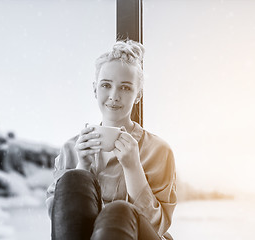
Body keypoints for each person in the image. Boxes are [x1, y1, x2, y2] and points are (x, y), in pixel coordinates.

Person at [46, 40, 177, 240]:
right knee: (74, 178)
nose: (114, 96)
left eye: (125, 88)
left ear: (138, 95)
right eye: (106, 85)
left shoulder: (159, 151)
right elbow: (61, 224)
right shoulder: (71, 149)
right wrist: (83, 165)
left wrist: (133, 167)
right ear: (95, 89)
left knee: (120, 211)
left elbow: (157, 226)